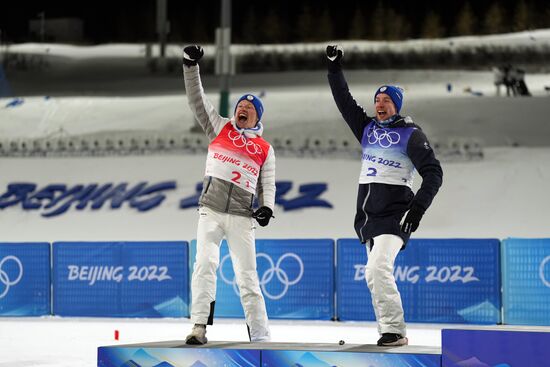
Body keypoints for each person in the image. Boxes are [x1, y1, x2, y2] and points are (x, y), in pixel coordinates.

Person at [325, 45, 443, 347]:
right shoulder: (367, 129)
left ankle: (395, 331)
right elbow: (344, 102)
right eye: (377, 99)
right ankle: (388, 331)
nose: (380, 103)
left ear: (397, 105)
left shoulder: (411, 134)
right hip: (368, 218)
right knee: (373, 274)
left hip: (396, 215)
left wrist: (416, 210)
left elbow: (434, 173)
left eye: (387, 100)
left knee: (377, 268)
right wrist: (334, 68)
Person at [182, 45, 275, 345]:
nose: (241, 110)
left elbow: (268, 184)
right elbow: (197, 99)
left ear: (257, 117)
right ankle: (198, 327)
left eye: (248, 109)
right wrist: (189, 66)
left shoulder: (264, 148)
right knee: (204, 264)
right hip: (210, 209)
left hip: (241, 217)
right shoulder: (219, 126)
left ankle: (260, 337)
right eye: (239, 107)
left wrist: (267, 208)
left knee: (247, 277)